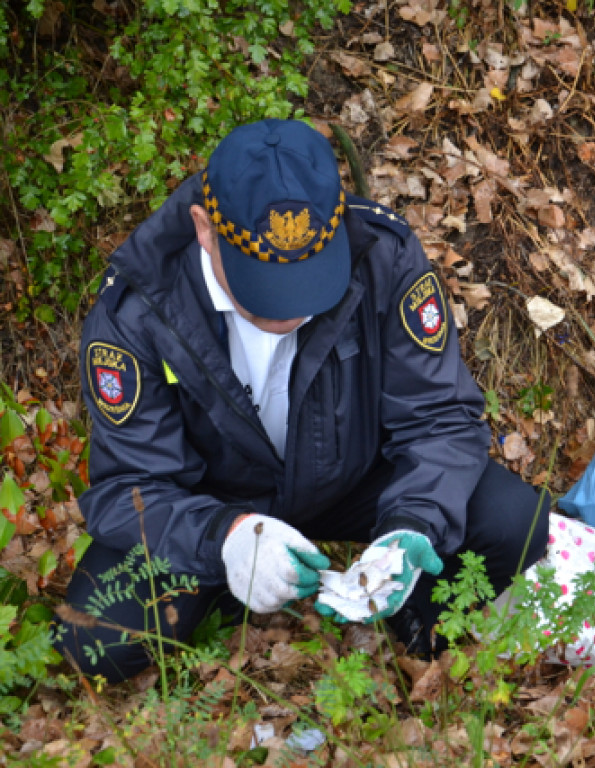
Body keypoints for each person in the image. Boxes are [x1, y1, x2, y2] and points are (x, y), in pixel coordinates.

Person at [55, 119, 550, 683]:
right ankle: (230, 587)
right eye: (263, 285)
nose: (289, 309)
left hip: (351, 475)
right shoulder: (140, 306)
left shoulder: (381, 254)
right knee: (96, 641)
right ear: (204, 229)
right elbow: (129, 488)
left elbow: (439, 417)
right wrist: (225, 537)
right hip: (215, 499)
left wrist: (411, 524)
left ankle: (413, 618)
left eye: (309, 280)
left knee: (514, 520)